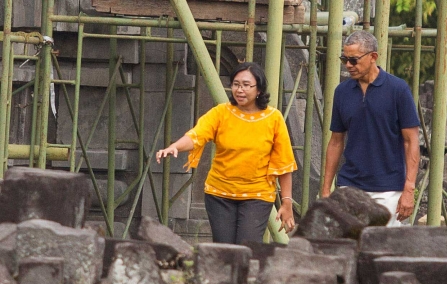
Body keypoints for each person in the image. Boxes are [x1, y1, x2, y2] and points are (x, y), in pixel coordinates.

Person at [156, 62, 297, 244]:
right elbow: (197, 134)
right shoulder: (221, 113)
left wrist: (287, 202)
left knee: (248, 246)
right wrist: (175, 146)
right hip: (219, 193)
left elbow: (284, 164)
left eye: (246, 85)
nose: (240, 90)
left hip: (257, 195)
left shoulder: (274, 118)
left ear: (259, 89)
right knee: (224, 248)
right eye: (236, 84)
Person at [321, 30, 420, 226]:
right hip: (349, 186)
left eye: (354, 60)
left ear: (373, 57)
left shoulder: (398, 90)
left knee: (382, 249)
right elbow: (335, 141)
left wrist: (409, 189)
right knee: (347, 248)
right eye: (344, 59)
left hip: (389, 189)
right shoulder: (342, 92)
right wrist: (325, 190)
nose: (348, 65)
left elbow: (411, 141)